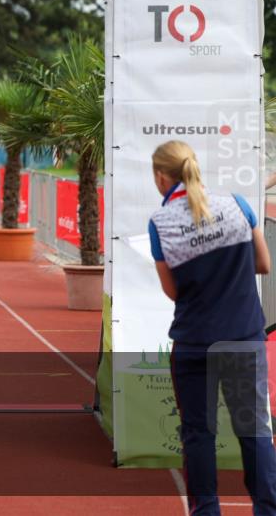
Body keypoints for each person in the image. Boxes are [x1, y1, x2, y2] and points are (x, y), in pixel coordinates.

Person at [148, 140, 276, 514]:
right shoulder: (237, 205)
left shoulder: (161, 223)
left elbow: (172, 291)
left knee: (199, 435)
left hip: (194, 341)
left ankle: (206, 510)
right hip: (244, 336)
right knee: (254, 430)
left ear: (161, 176)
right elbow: (264, 264)